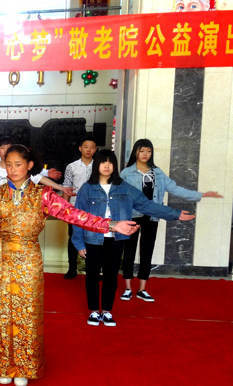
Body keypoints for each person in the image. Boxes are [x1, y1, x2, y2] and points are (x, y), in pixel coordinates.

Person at [0, 145, 139, 386]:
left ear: (30, 165)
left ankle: (24, 367)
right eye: (9, 165)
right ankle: (5, 364)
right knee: (3, 313)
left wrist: (112, 225)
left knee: (27, 313)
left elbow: (75, 215)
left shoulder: (43, 195)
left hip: (29, 259)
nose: (13, 169)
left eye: (18, 164)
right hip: (1, 259)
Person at [72, 149, 195, 327]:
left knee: (111, 276)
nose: (107, 166)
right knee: (92, 276)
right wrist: (78, 242)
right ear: (97, 165)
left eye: (111, 162)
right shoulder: (87, 189)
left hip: (116, 240)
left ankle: (106, 311)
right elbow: (78, 217)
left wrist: (174, 213)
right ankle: (93, 311)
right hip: (92, 239)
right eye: (103, 162)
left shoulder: (125, 188)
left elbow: (147, 205)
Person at [119, 139, 221, 302]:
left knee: (147, 251)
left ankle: (142, 289)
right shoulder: (126, 173)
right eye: (142, 150)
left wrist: (201, 195)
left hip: (153, 215)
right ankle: (127, 288)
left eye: (148, 151)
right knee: (129, 251)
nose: (145, 154)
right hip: (132, 216)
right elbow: (119, 195)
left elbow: (175, 189)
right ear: (135, 152)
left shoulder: (157, 173)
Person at [0, 136, 69, 200]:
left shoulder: (23, 171)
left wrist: (62, 188)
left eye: (17, 165)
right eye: (2, 148)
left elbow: (40, 178)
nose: (13, 170)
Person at [62, 136, 98, 279]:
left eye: (92, 147)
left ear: (96, 149)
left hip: (95, 208)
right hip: (75, 208)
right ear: (80, 148)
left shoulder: (99, 166)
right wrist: (65, 210)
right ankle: (72, 268)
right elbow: (67, 187)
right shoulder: (72, 167)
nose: (89, 150)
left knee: (93, 238)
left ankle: (92, 269)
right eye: (86, 147)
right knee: (73, 237)